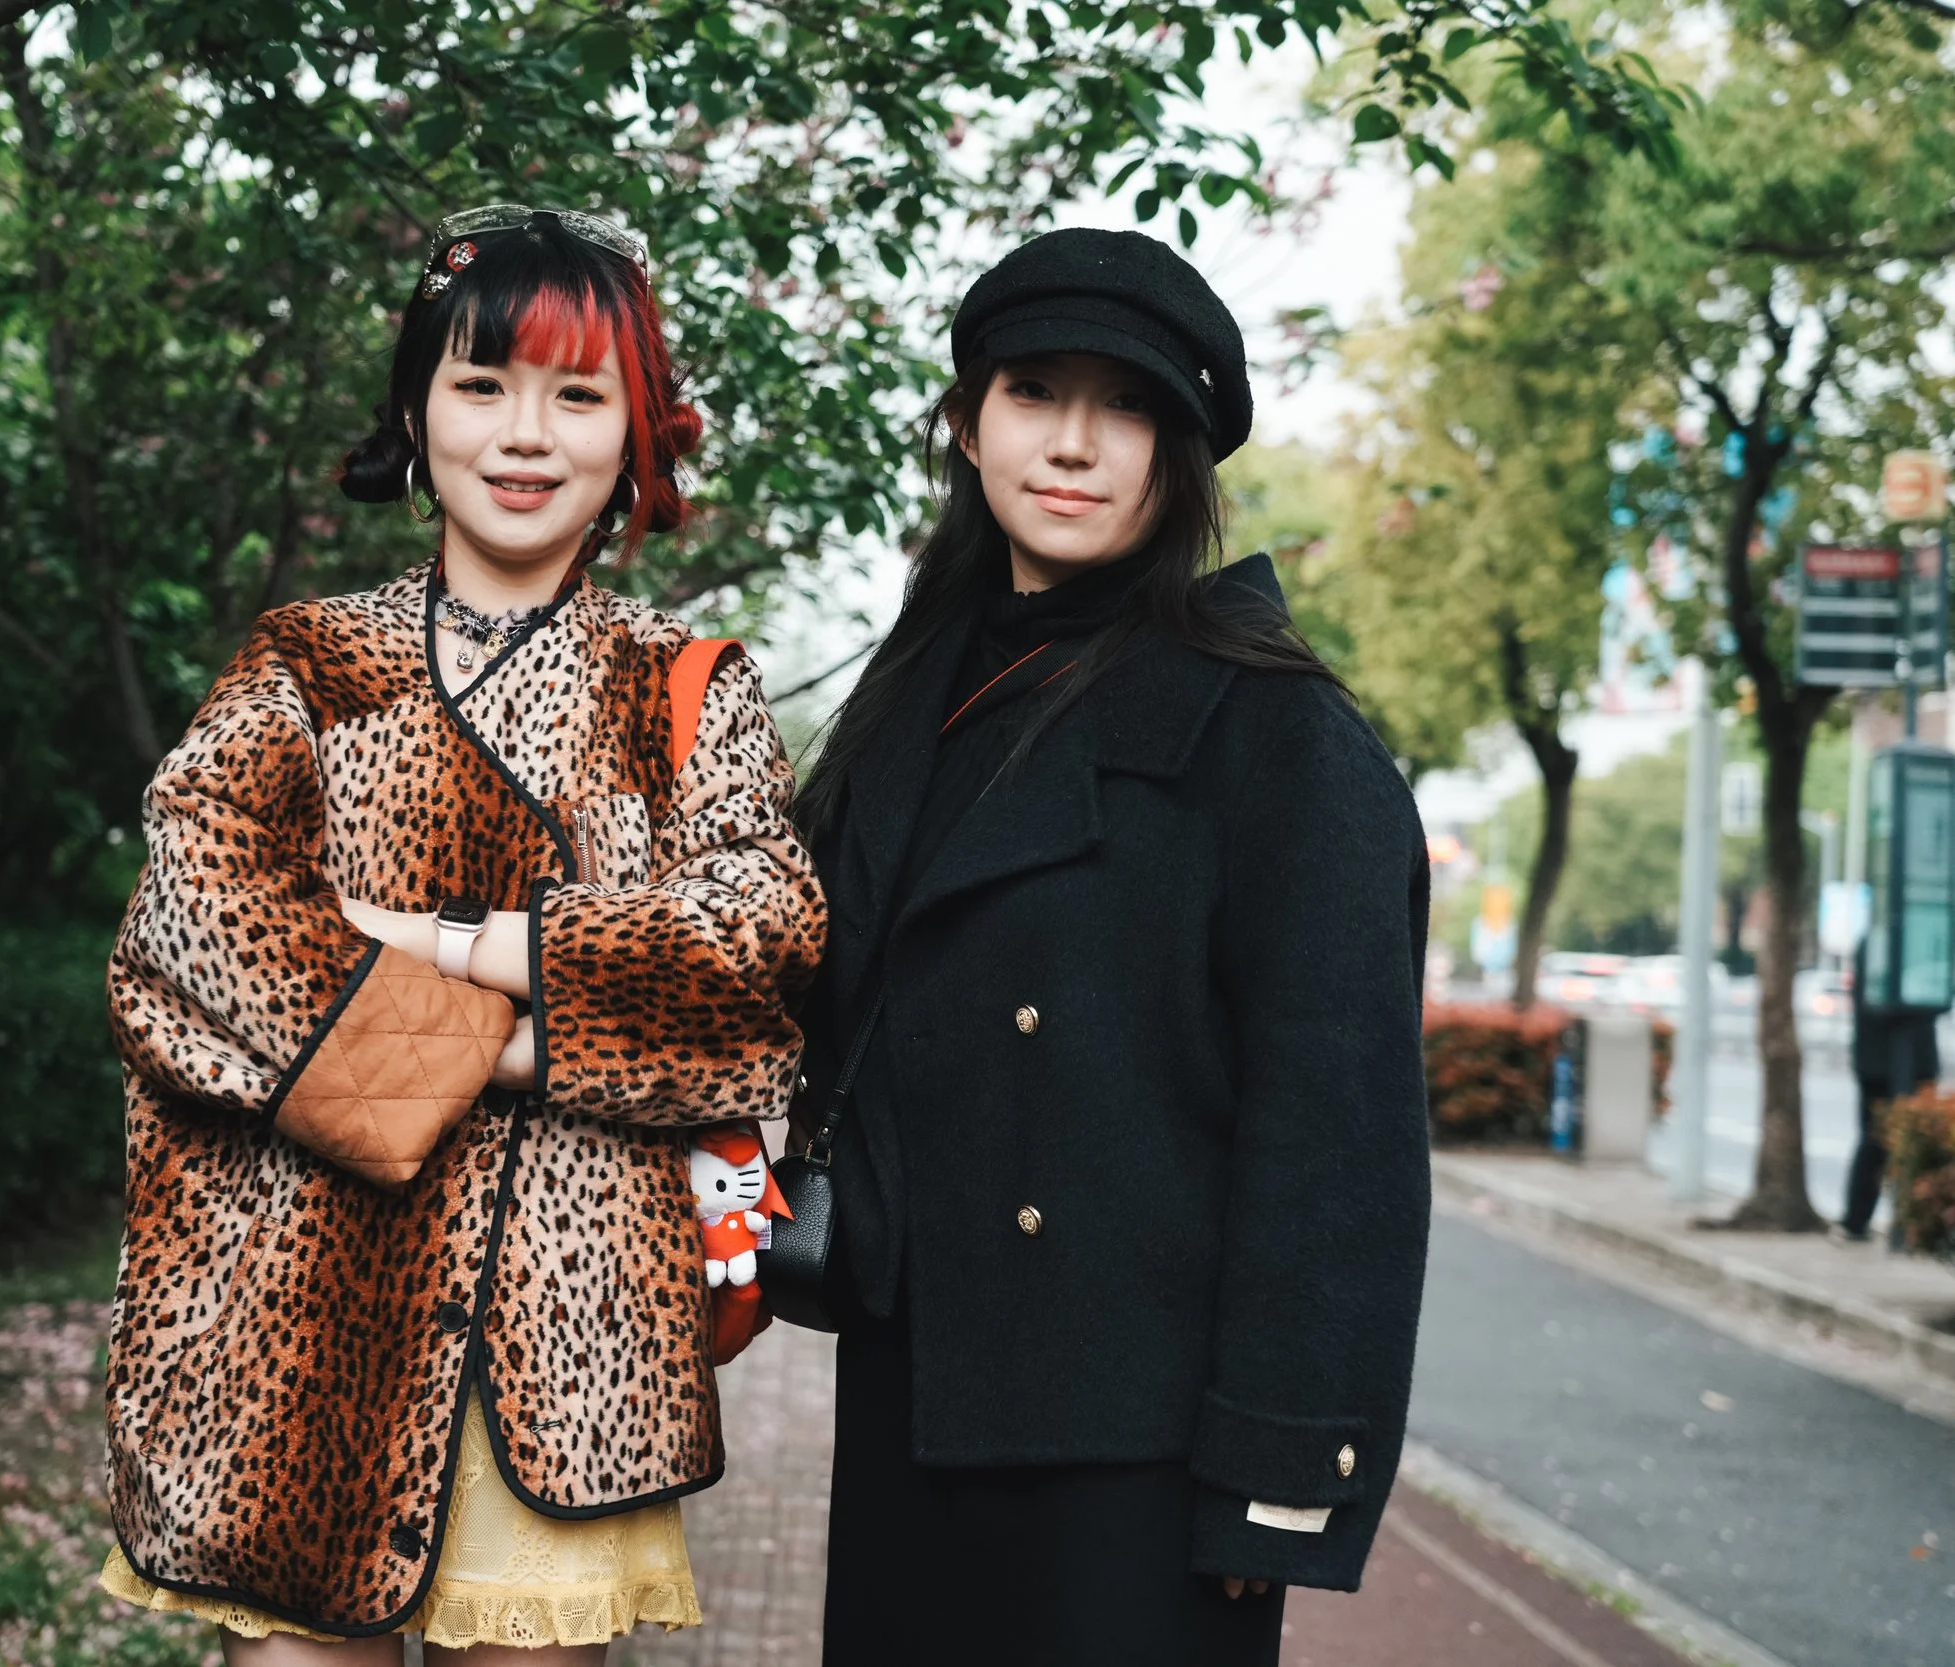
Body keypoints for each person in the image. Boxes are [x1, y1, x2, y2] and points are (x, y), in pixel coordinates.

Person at [95, 205, 825, 1663]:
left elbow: (753, 956)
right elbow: (187, 936)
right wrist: (553, 1033)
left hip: (574, 1335)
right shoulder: (307, 663)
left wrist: (435, 940)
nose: (524, 433)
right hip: (291, 1325)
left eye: (578, 394)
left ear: (635, 433)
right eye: (482, 383)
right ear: (417, 409)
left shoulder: (685, 686)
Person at [789, 228, 1432, 1665]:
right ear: (968, 424)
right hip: (911, 1402)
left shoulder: (1273, 730)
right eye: (1033, 392)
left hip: (1140, 1456)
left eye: (1126, 405)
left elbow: (1338, 1138)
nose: (1074, 443)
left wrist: (1276, 1478)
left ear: (1176, 455)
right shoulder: (911, 699)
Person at [1841, 943, 1936, 1240]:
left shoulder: (1874, 944)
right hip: (1886, 1064)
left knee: (1886, 1142)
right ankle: (1864, 1221)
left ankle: (1873, 1222)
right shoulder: (1883, 946)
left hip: (1890, 1062)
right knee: (1879, 1141)